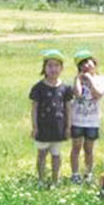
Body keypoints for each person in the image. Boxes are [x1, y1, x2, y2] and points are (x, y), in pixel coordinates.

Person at [29, 49, 73, 187]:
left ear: (61, 68)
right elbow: (34, 108)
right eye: (49, 66)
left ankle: (55, 179)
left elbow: (68, 108)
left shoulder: (65, 88)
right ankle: (41, 179)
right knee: (42, 153)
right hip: (43, 127)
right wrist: (35, 126)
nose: (53, 69)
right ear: (44, 68)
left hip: (58, 127)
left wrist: (68, 127)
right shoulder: (38, 88)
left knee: (56, 155)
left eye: (56, 65)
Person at [70, 50, 104, 184]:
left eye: (88, 62)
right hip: (77, 120)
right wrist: (78, 79)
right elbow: (78, 94)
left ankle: (88, 172)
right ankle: (75, 173)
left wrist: (90, 80)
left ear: (94, 63)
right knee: (76, 147)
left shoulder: (101, 79)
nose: (85, 65)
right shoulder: (76, 80)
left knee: (89, 149)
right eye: (81, 64)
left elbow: (97, 95)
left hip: (92, 121)